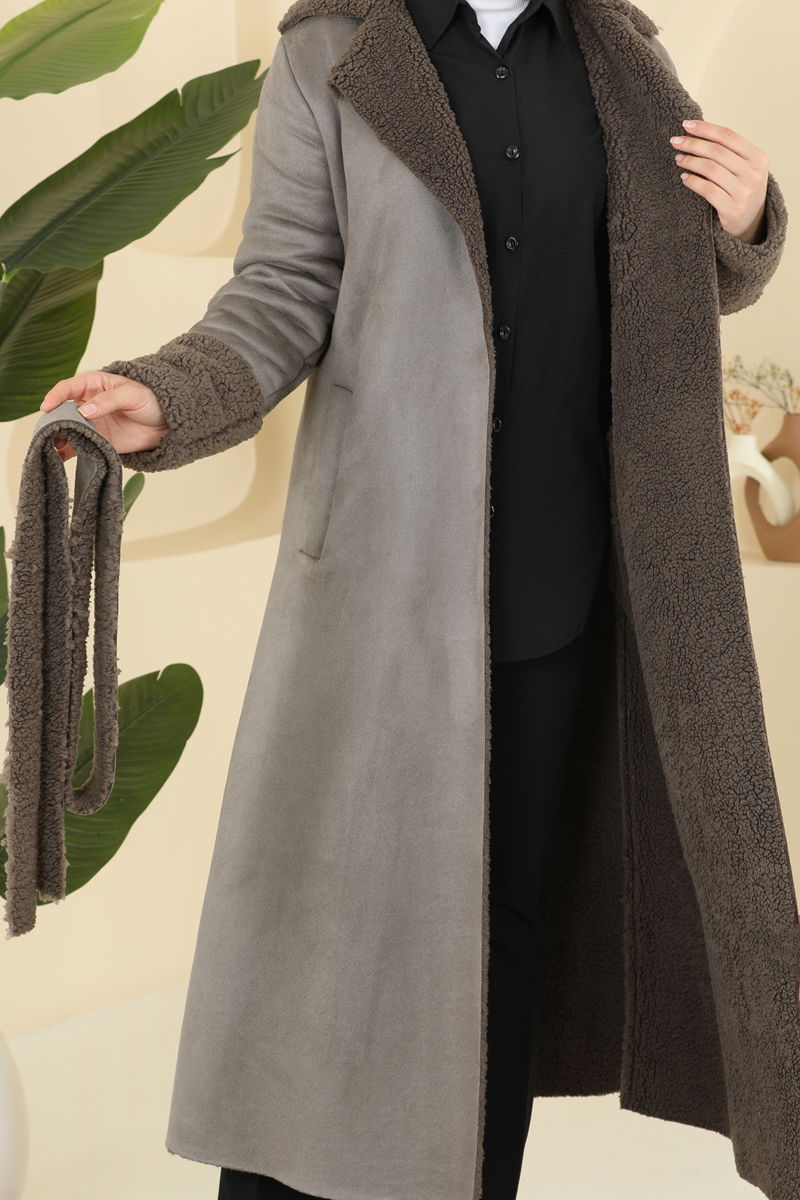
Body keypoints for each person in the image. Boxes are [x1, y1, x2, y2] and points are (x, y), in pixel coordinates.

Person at [39, 0, 784, 1197]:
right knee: (329, 929)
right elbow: (282, 290)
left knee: (503, 934)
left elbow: (666, 280)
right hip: (384, 580)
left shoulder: (622, 56)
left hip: (564, 577)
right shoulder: (330, 55)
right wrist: (167, 394)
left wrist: (745, 221)